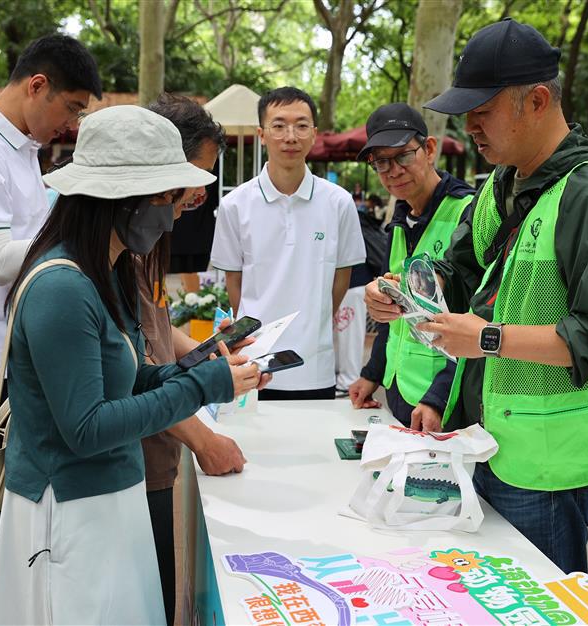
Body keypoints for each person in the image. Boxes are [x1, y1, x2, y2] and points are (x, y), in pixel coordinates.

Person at [365, 18, 588, 574]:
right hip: (489, 438)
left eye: (483, 111)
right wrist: (406, 292)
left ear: (537, 100)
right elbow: (460, 269)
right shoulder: (503, 182)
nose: (469, 126)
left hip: (550, 460)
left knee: (549, 601)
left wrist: (487, 338)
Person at [0, 105, 262, 625]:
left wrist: (200, 373)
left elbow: (130, 380)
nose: (174, 211)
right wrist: (199, 388)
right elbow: (86, 427)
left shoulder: (109, 272)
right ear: (118, 199)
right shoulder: (61, 286)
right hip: (69, 511)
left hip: (112, 497)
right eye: (164, 197)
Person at [0, 33, 101, 606]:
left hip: (25, 350)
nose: (69, 123)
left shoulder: (22, 150)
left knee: (30, 503)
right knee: (5, 506)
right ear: (37, 86)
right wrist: (78, 240)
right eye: (71, 107)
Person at [141, 93, 255, 625]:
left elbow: (158, 333)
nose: (200, 194)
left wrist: (212, 350)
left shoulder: (150, 236)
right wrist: (205, 439)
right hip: (130, 465)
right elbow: (134, 374)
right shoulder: (114, 247)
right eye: (198, 176)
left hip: (154, 454)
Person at [212, 86, 366, 400]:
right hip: (254, 369)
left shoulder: (339, 202)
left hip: (315, 367)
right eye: (279, 126)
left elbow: (342, 278)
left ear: (314, 134)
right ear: (262, 134)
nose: (290, 136)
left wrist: (316, 319)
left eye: (301, 125)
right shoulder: (235, 205)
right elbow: (234, 282)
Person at [349, 103, 474, 427]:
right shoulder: (401, 221)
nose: (393, 170)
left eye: (403, 155)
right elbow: (393, 316)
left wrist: (438, 400)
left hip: (445, 406)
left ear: (429, 149)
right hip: (400, 394)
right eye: (381, 162)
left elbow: (479, 318)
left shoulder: (469, 212)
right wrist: (372, 374)